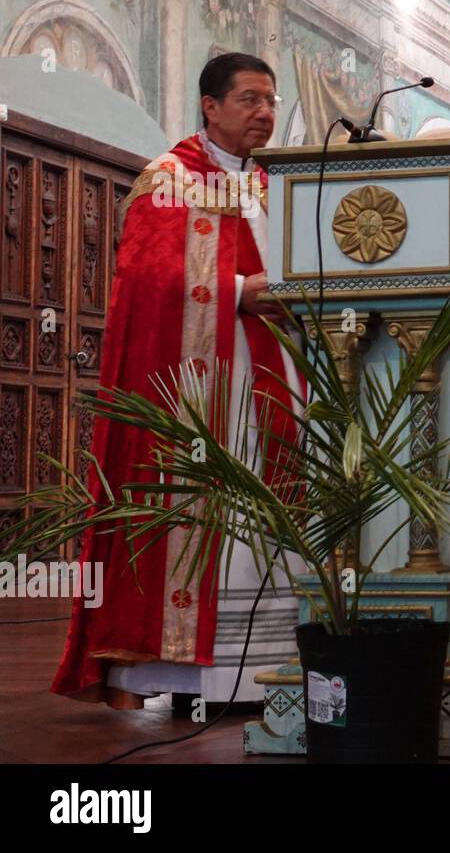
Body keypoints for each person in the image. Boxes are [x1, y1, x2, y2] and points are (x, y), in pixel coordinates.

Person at [53, 53, 305, 711]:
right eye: (249, 99)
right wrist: (234, 291)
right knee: (193, 513)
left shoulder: (282, 188)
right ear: (210, 106)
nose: (264, 112)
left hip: (275, 380)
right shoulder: (168, 181)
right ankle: (177, 675)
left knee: (264, 523)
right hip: (198, 393)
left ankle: (265, 671)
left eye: (271, 100)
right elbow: (143, 283)